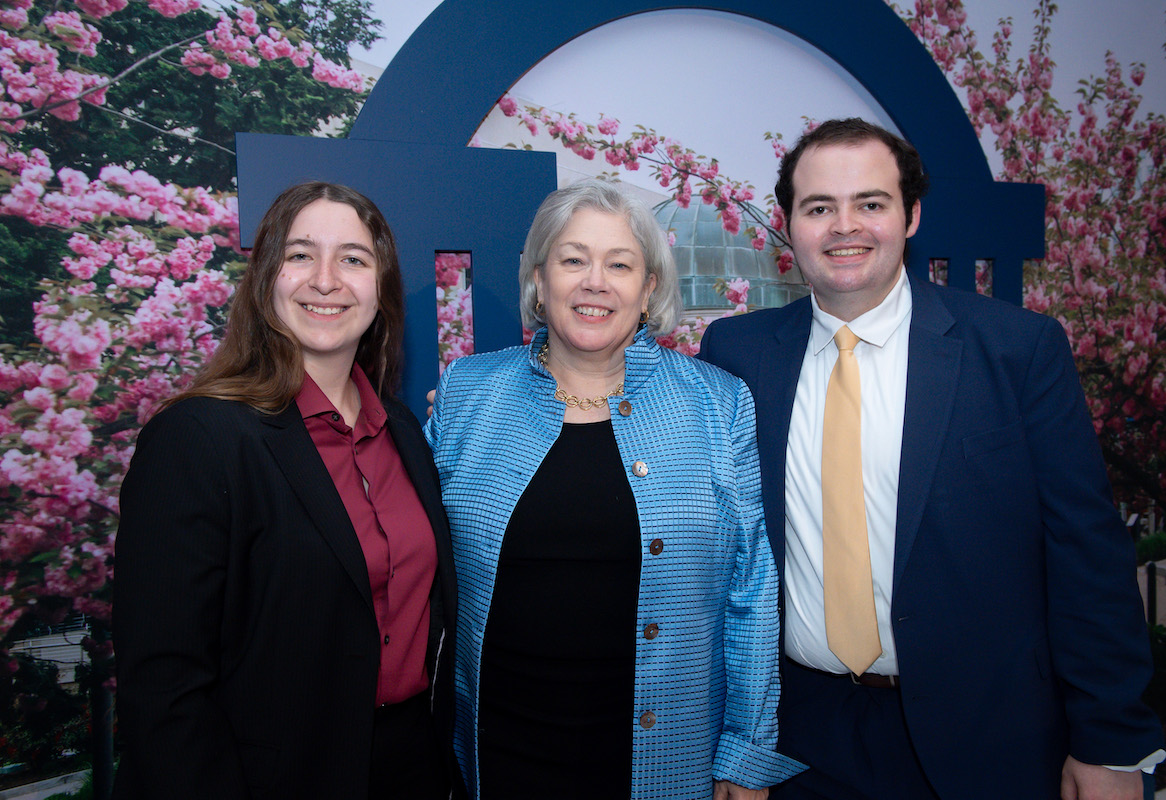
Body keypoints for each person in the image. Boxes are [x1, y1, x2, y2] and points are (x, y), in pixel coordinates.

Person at [699, 118, 1164, 800]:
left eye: (871, 203)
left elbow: (1087, 557)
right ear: (790, 225)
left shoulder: (1018, 350)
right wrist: (742, 744)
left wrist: (1113, 743)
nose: (843, 226)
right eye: (819, 207)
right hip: (802, 742)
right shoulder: (736, 355)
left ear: (911, 216)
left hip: (989, 740)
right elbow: (724, 562)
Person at [424, 178, 802, 800]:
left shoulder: (717, 403)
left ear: (649, 287)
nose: (594, 281)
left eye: (620, 264)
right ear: (540, 280)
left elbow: (751, 590)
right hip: (502, 754)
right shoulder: (468, 394)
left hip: (667, 756)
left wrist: (746, 752)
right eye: (572, 259)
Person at [113, 182, 458, 800]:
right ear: (267, 276)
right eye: (301, 255)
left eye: (353, 259)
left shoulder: (403, 432)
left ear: (380, 290)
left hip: (411, 765)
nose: (325, 280)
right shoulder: (196, 439)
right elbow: (164, 687)